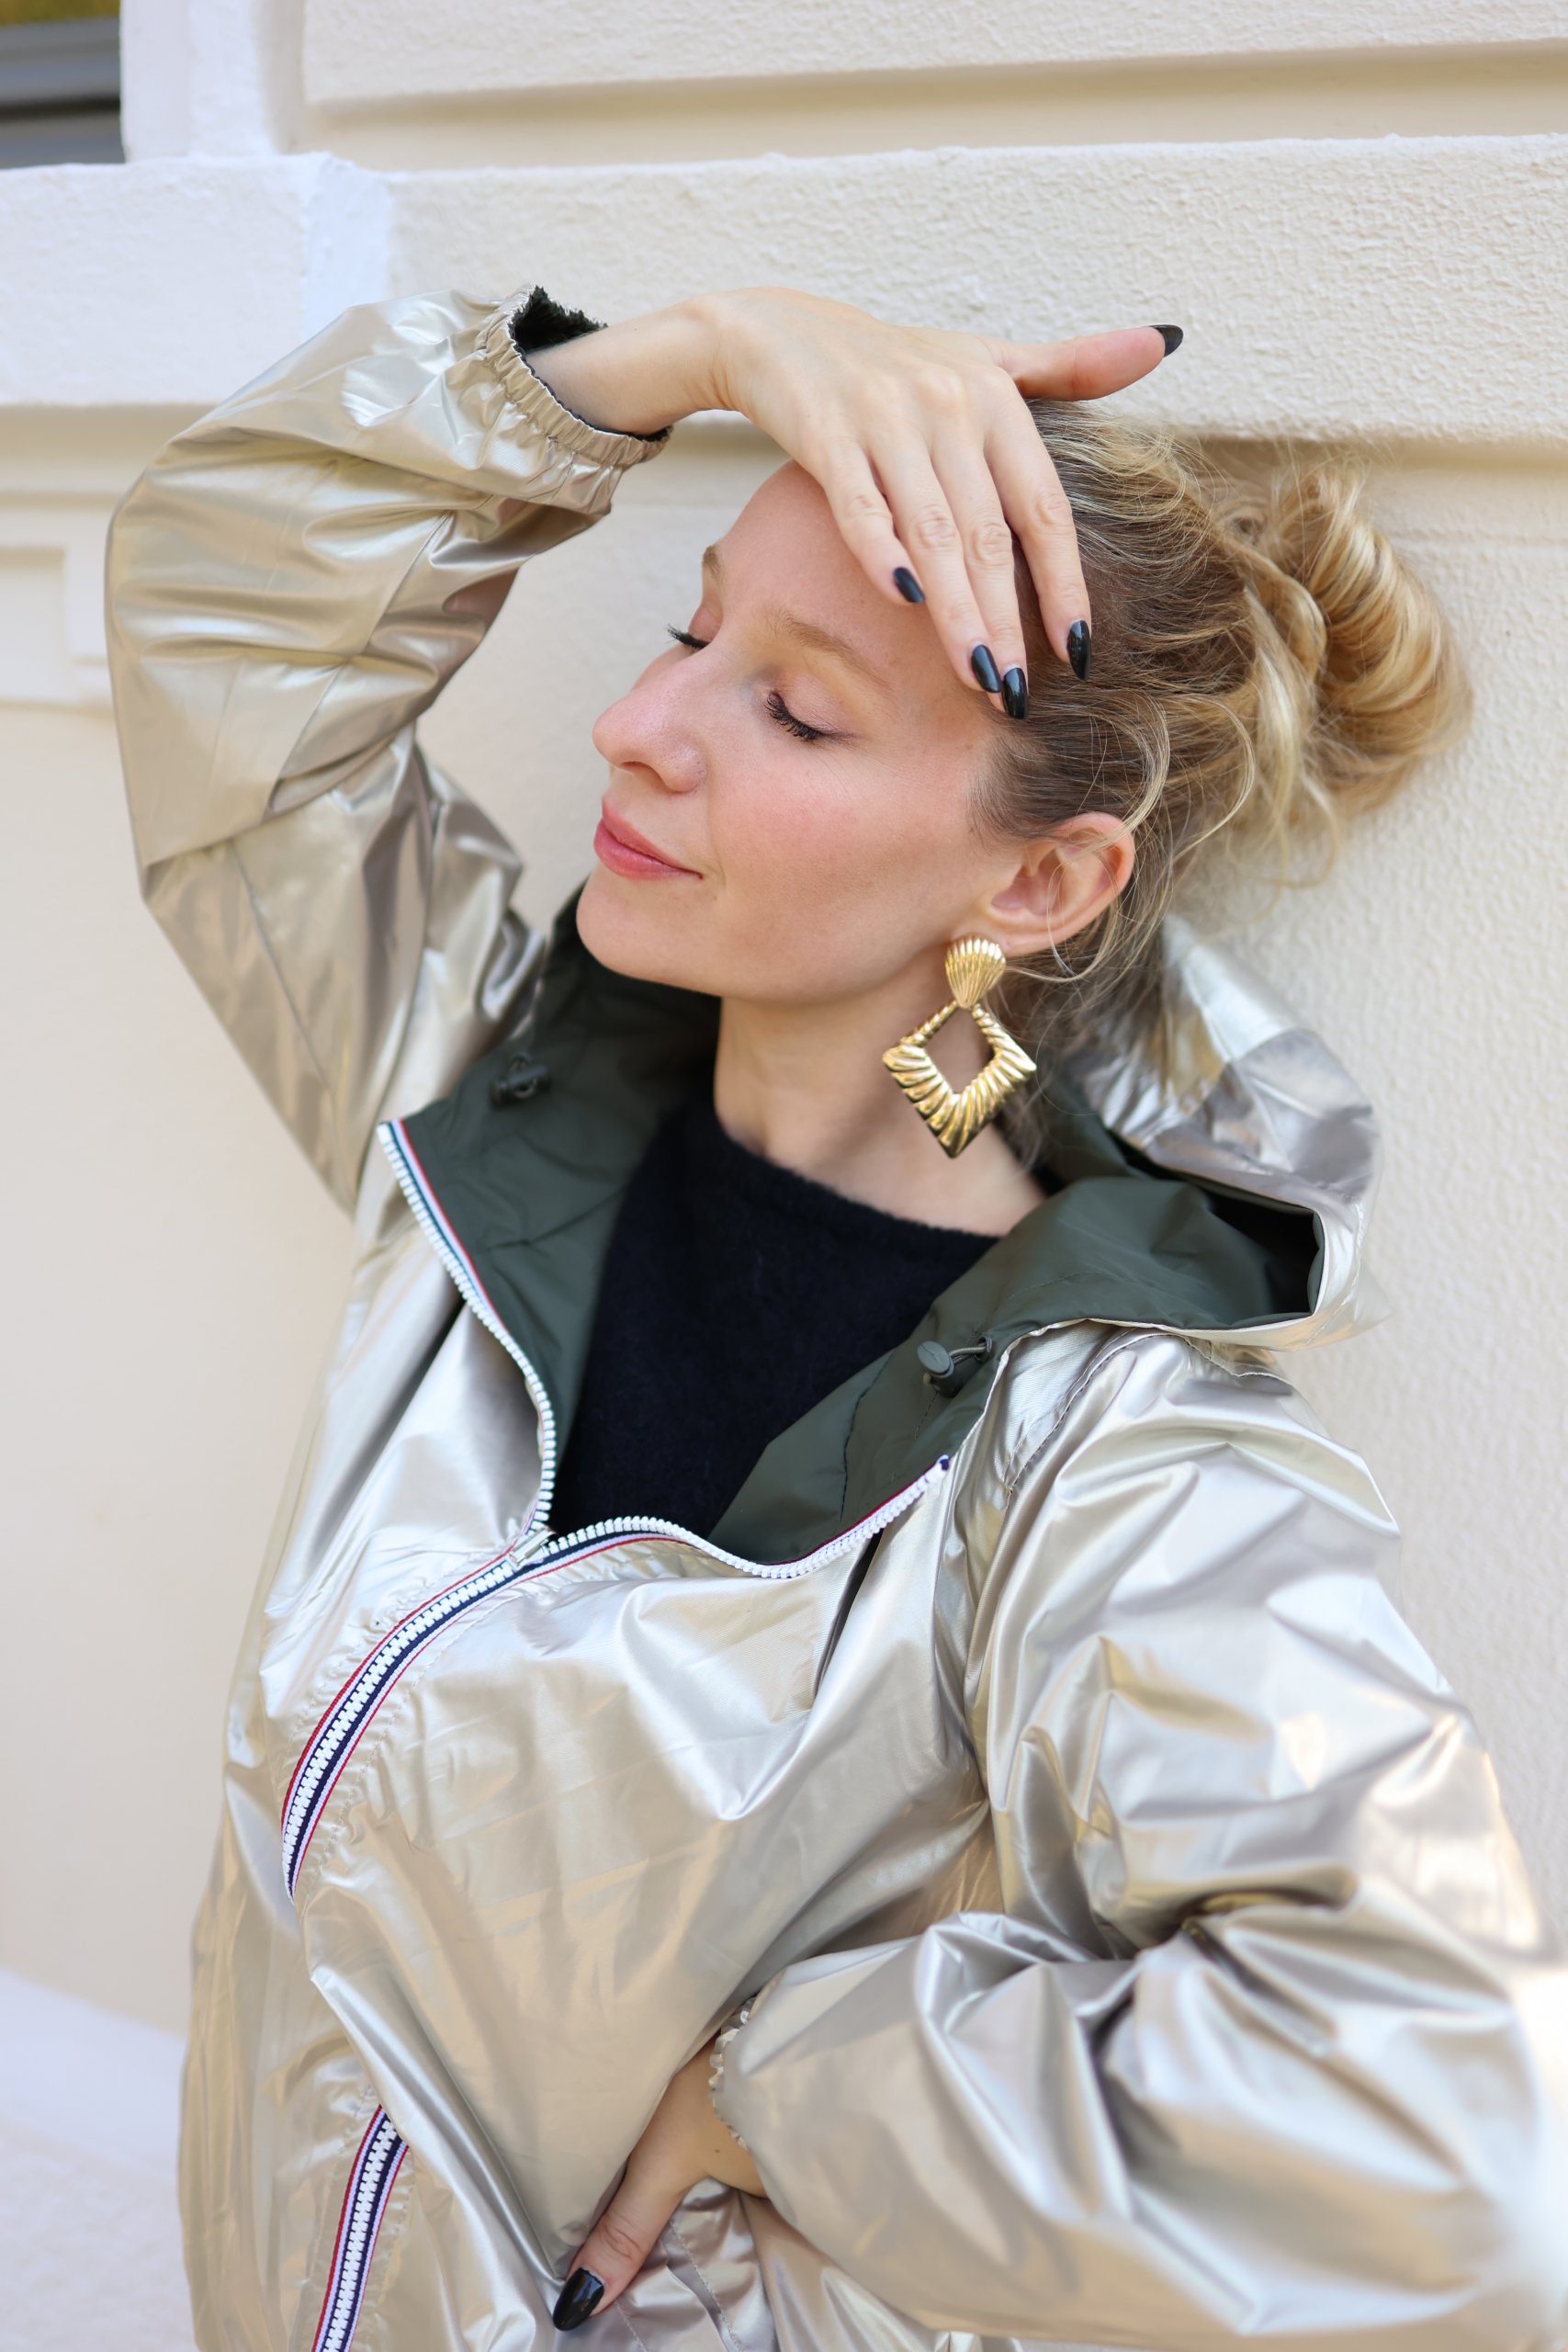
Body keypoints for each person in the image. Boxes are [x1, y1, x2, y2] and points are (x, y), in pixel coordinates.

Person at [105, 277, 1568, 2352]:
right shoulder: (484, 1112)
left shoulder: (1099, 1465)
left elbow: (1446, 2140)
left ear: (1036, 886)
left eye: (794, 712)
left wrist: (784, 2088)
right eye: (690, 626)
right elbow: (220, 622)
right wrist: (694, 353)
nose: (638, 725)